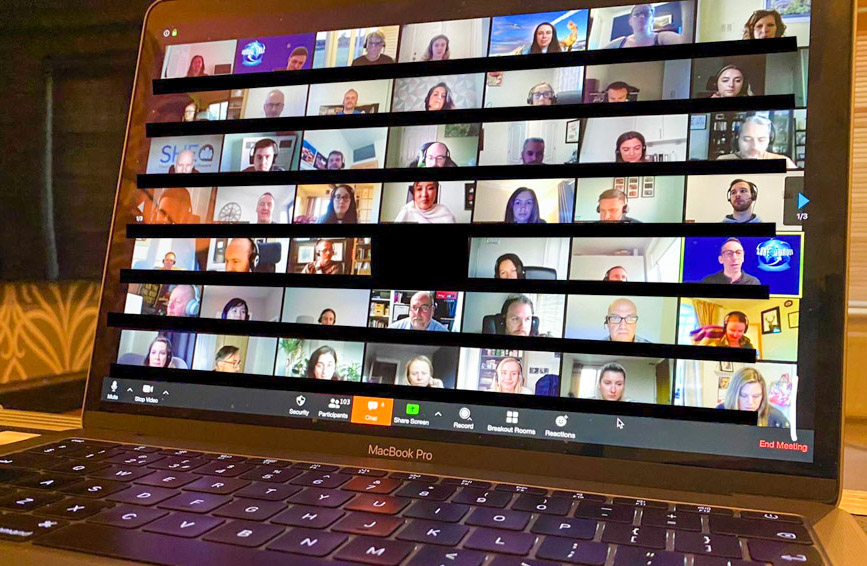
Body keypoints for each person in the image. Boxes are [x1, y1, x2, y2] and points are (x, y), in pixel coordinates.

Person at [716, 115, 797, 169]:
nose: (754, 146)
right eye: (747, 139)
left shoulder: (785, 163)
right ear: (737, 139)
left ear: (770, 140)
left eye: (761, 140)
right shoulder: (723, 160)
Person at [718, 367, 789, 427]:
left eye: (756, 396)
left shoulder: (776, 419)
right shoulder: (721, 409)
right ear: (734, 395)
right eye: (744, 396)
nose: (750, 402)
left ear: (763, 396)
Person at [603, 4, 683, 49]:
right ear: (630, 21)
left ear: (652, 20)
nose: (642, 17)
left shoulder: (662, 37)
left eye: (646, 13)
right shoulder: (620, 42)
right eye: (637, 14)